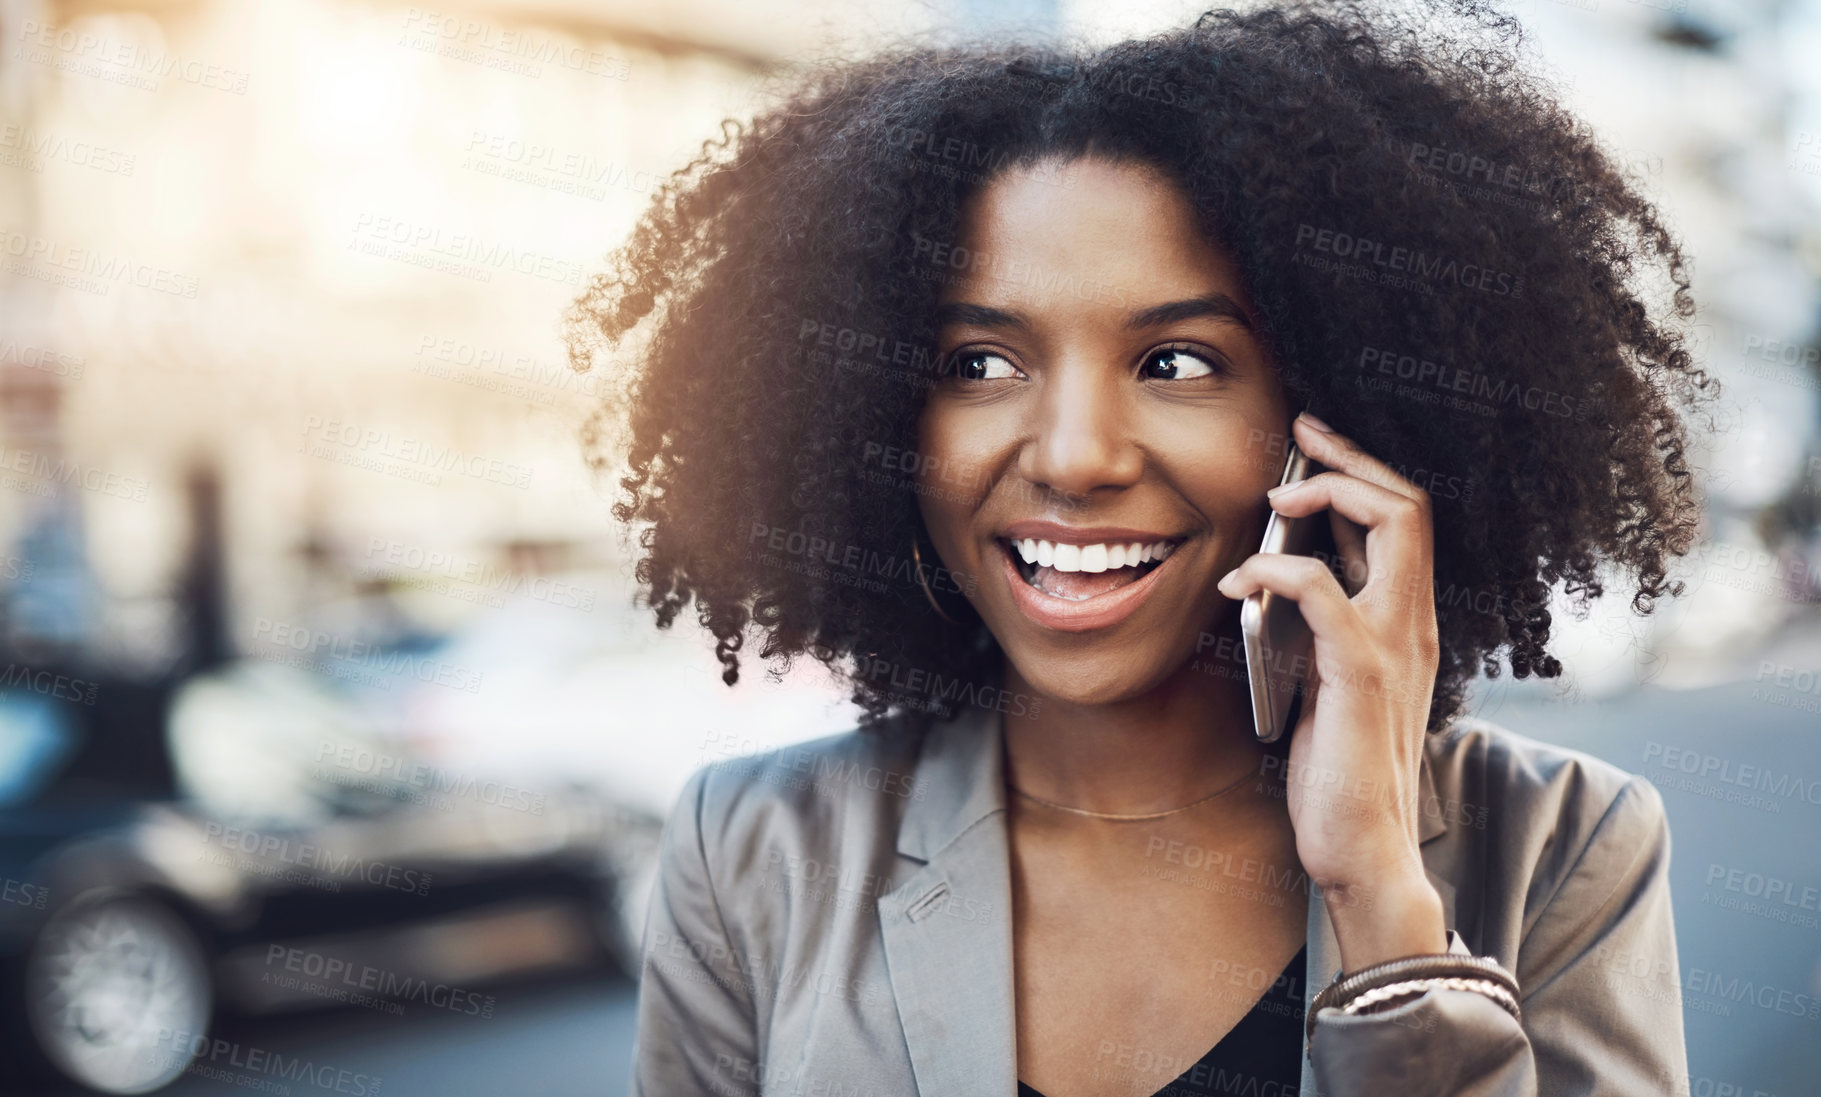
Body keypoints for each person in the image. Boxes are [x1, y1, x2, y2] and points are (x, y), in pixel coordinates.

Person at [563, 2, 1708, 1094]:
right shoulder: (750, 851)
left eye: (1176, 362)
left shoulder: (1565, 845)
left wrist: (1380, 895)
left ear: (1338, 410)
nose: (1073, 456)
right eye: (979, 363)